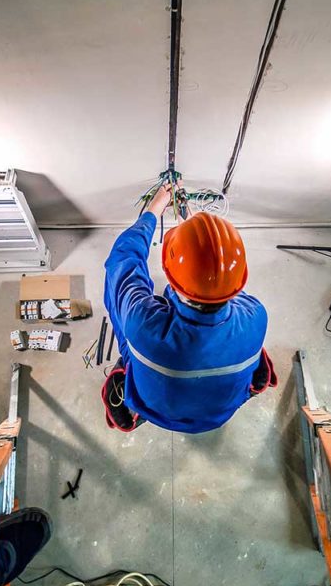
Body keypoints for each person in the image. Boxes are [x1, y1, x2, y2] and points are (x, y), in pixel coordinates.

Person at [101, 183, 276, 433]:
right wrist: (198, 237)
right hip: (218, 413)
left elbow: (123, 260)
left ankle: (138, 408)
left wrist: (154, 209)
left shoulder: (144, 323)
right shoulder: (256, 316)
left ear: (171, 274)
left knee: (124, 314)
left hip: (157, 407)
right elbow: (218, 281)